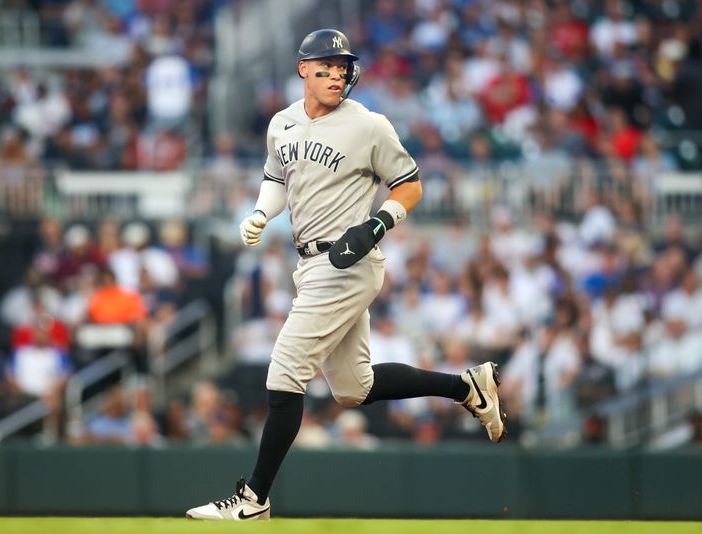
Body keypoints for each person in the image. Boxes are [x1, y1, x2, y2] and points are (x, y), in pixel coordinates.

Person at [186, 28, 506, 522]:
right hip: (307, 262)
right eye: (325, 66)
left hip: (348, 262)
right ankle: (467, 387)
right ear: (303, 70)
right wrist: (259, 214)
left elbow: (410, 187)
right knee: (353, 388)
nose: (336, 73)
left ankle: (254, 499)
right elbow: (276, 179)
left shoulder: (369, 125)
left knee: (285, 370)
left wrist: (379, 222)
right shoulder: (282, 123)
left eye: (342, 67)